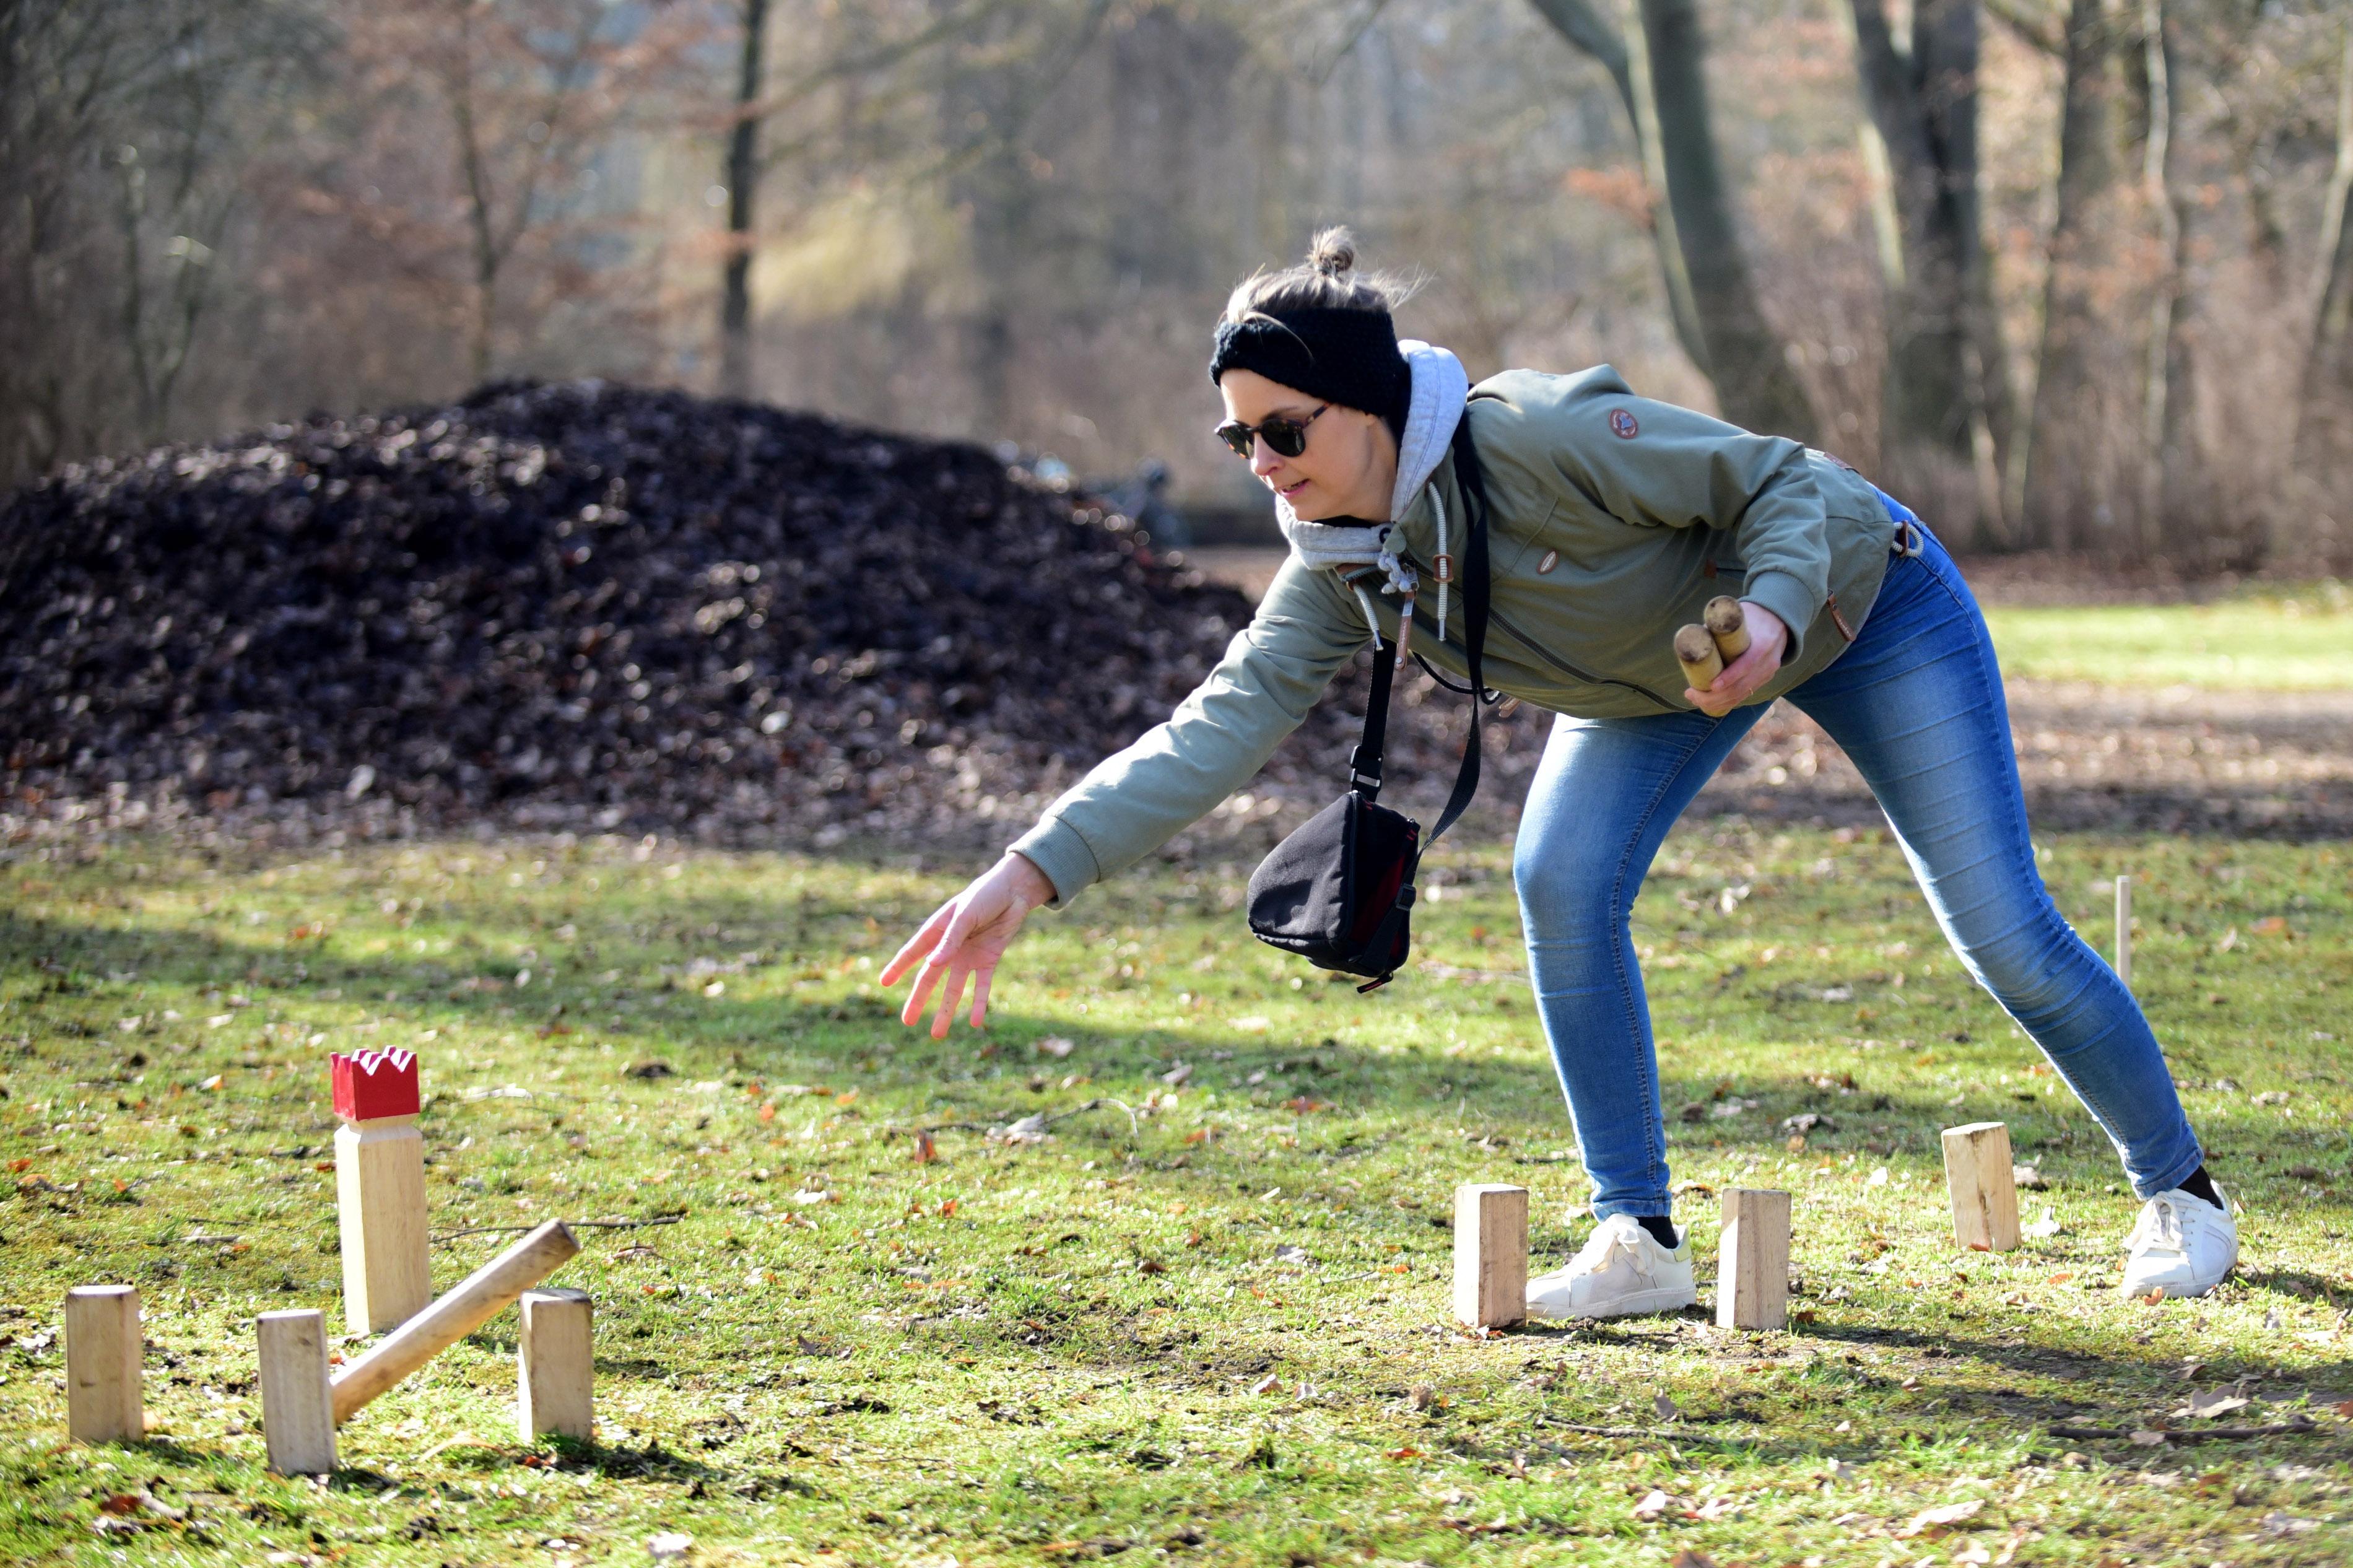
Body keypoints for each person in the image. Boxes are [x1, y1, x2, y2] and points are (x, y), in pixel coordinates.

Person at [880, 229, 2238, 1315]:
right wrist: (1034, 866)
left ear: (1362, 407)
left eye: (1281, 430)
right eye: (1238, 441)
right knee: (1560, 877)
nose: (1263, 465)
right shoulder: (1338, 567)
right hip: (1667, 674)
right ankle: (1634, 1238)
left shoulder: (1532, 437)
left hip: (1859, 601)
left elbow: (1789, 484)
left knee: (1998, 929)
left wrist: (1767, 613)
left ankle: (2178, 1193)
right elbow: (1217, 724)